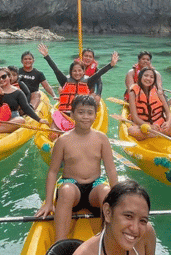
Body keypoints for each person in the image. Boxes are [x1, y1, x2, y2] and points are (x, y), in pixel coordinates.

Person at [36, 95, 118, 242]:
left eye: (90, 113)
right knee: (66, 191)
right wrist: (48, 202)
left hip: (94, 186)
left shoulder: (102, 139)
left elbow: (111, 170)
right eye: (80, 112)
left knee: (106, 191)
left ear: (95, 116)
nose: (85, 117)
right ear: (72, 115)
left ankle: (109, 240)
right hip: (72, 186)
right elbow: (53, 172)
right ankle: (60, 243)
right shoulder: (63, 141)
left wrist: (118, 198)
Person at [38, 43, 118, 114]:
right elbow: (56, 69)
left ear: (83, 72)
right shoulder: (65, 81)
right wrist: (46, 56)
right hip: (65, 113)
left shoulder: (88, 82)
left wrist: (111, 65)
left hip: (80, 115)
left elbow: (99, 73)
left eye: (80, 71)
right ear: (71, 72)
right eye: (74, 71)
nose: (77, 73)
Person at [126, 68, 171, 141]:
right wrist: (149, 126)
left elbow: (168, 112)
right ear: (140, 77)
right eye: (145, 75)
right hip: (143, 125)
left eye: (151, 77)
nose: (148, 78)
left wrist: (168, 122)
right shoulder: (133, 93)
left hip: (159, 125)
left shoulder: (158, 92)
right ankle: (160, 134)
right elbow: (135, 117)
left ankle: (154, 134)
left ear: (154, 80)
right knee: (131, 130)